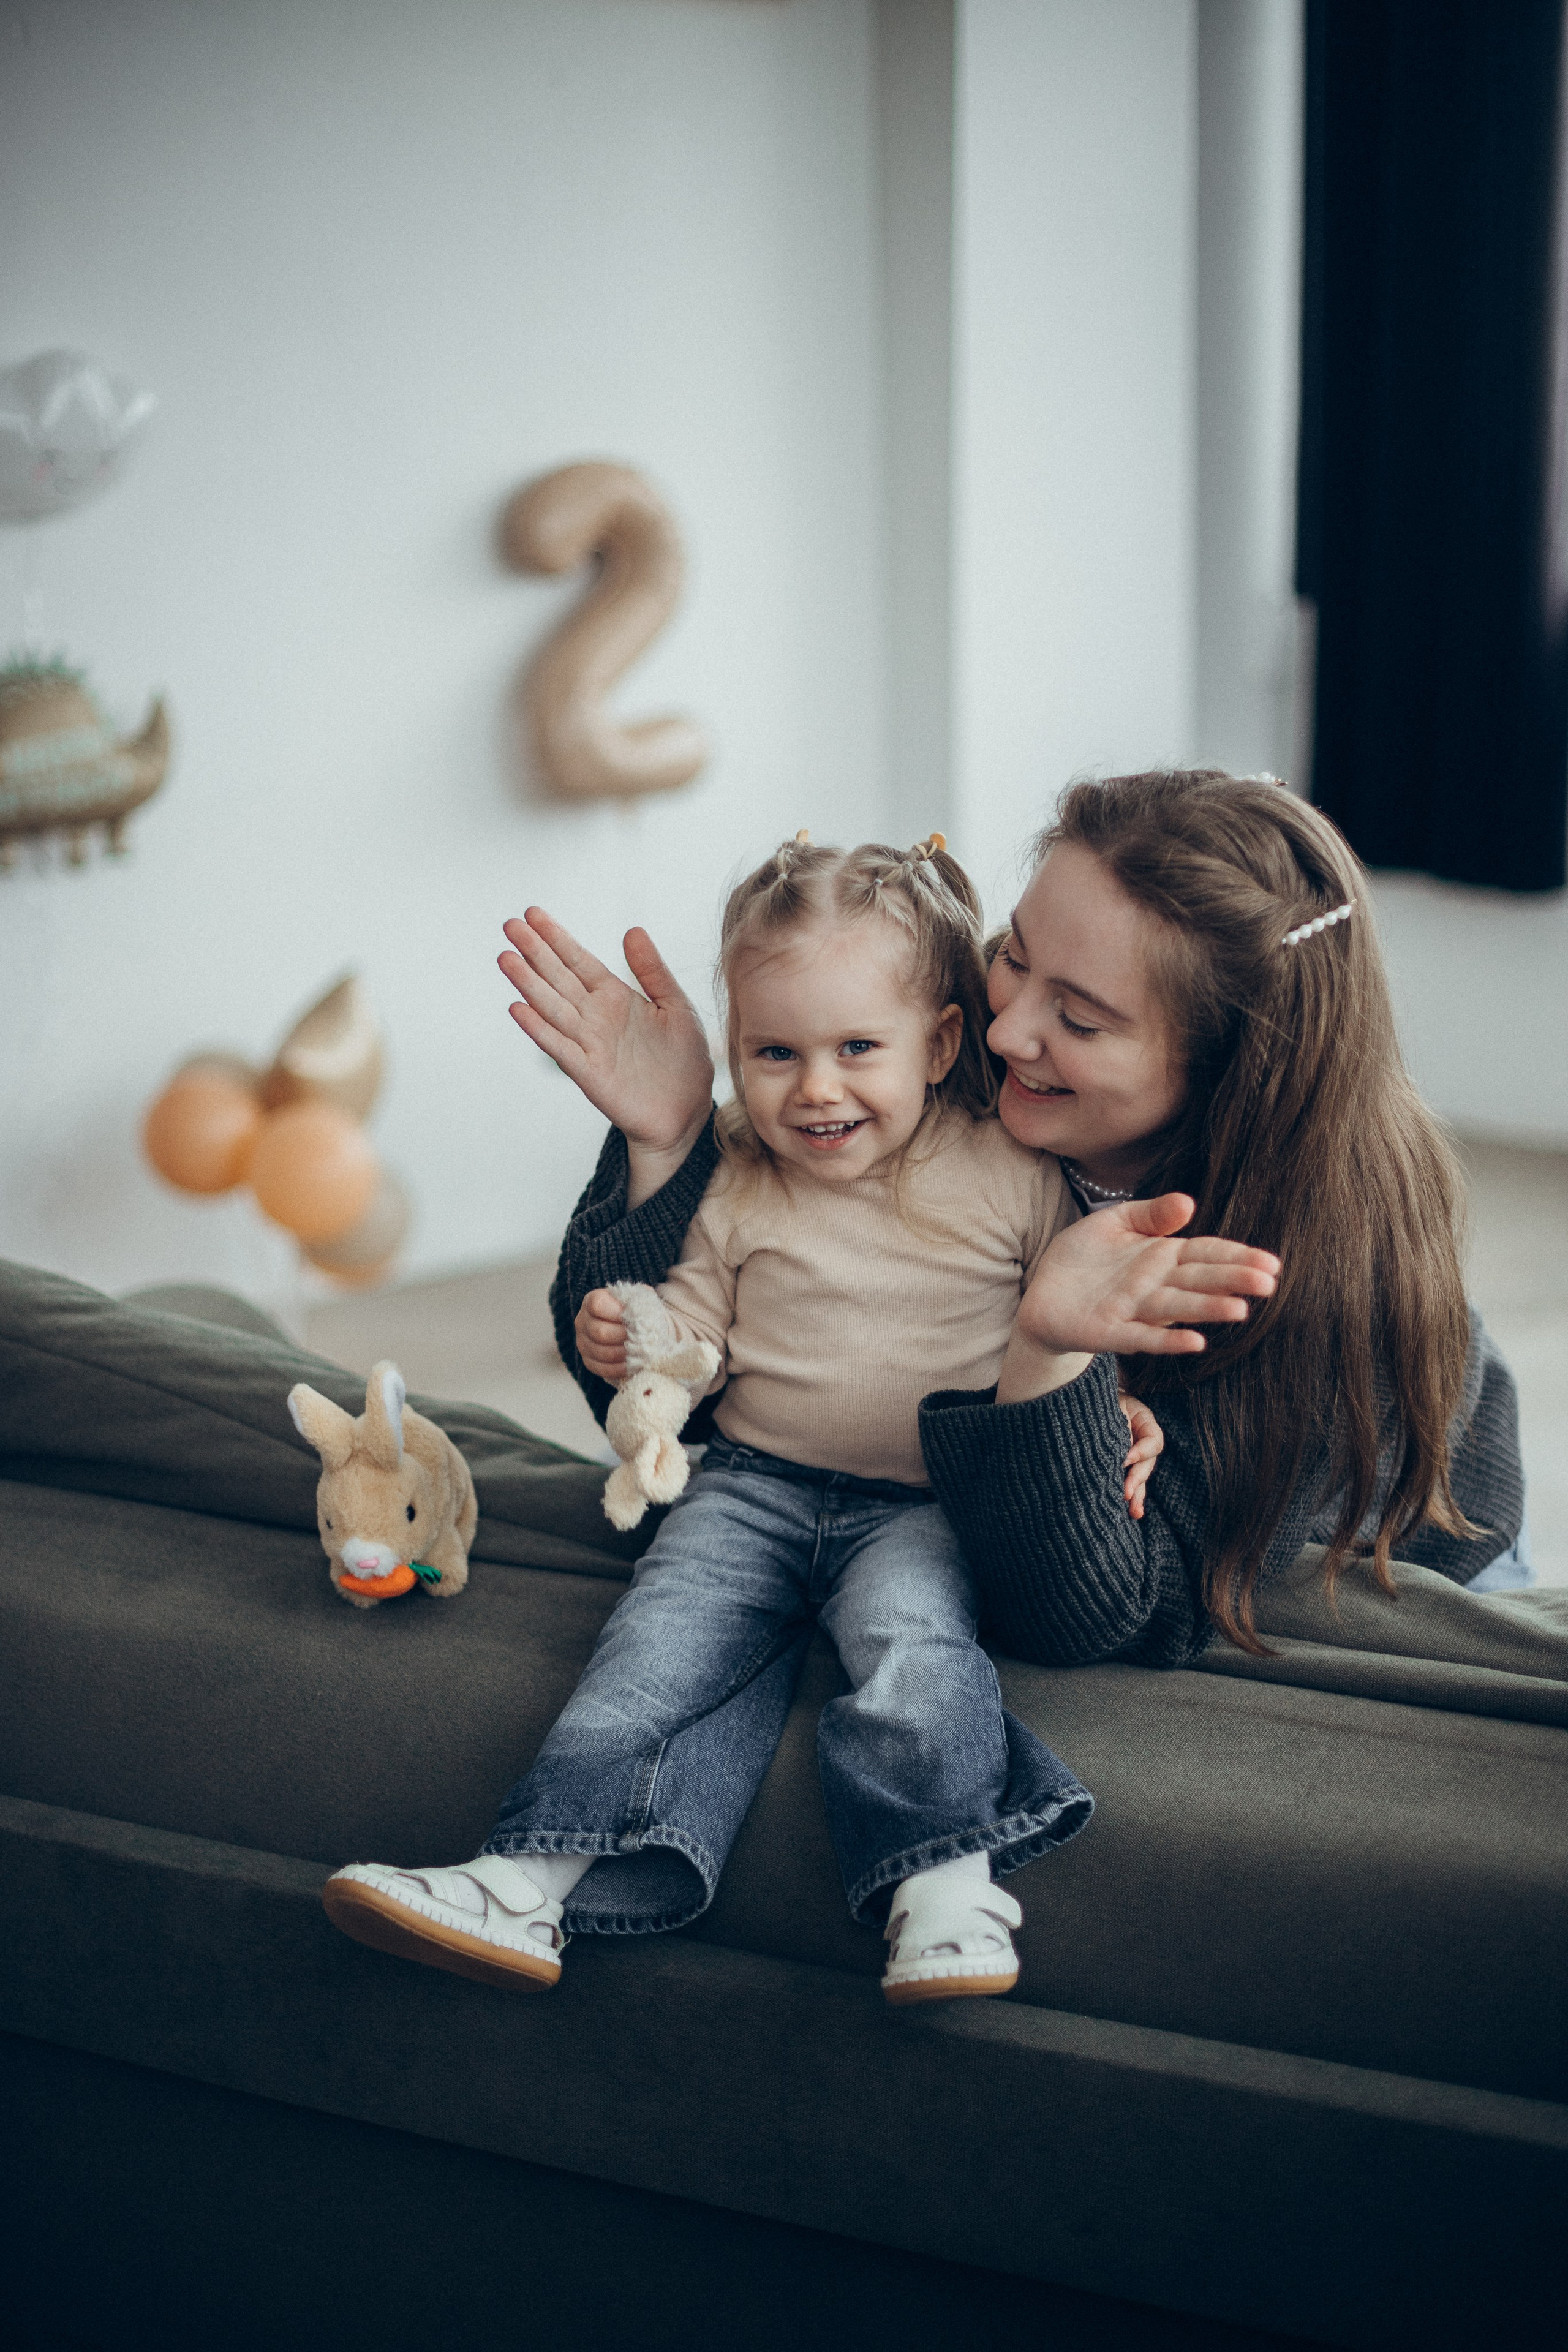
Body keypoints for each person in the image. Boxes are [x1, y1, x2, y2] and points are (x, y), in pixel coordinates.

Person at [325, 833, 1272, 2002]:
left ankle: (944, 1882)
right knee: (649, 1654)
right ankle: (525, 1884)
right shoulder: (732, 1172)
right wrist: (640, 1337)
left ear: (939, 1044)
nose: (814, 1088)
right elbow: (696, 1329)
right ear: (734, 1053)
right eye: (774, 1052)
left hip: (924, 1503)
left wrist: (1123, 1411)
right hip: (750, 1486)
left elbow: (1073, 1314)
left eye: (855, 1049)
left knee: (913, 1655)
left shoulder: (1015, 1172)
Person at [532, 769, 1524, 1683]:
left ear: (1227, 1072)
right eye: (1014, 952)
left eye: (1082, 1021)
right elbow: (676, 1401)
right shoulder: (938, 1077)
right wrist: (666, 1143)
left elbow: (1104, 1615)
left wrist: (1052, 1356)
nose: (1005, 1029)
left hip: (1390, 1541)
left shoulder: (1298, 1275)